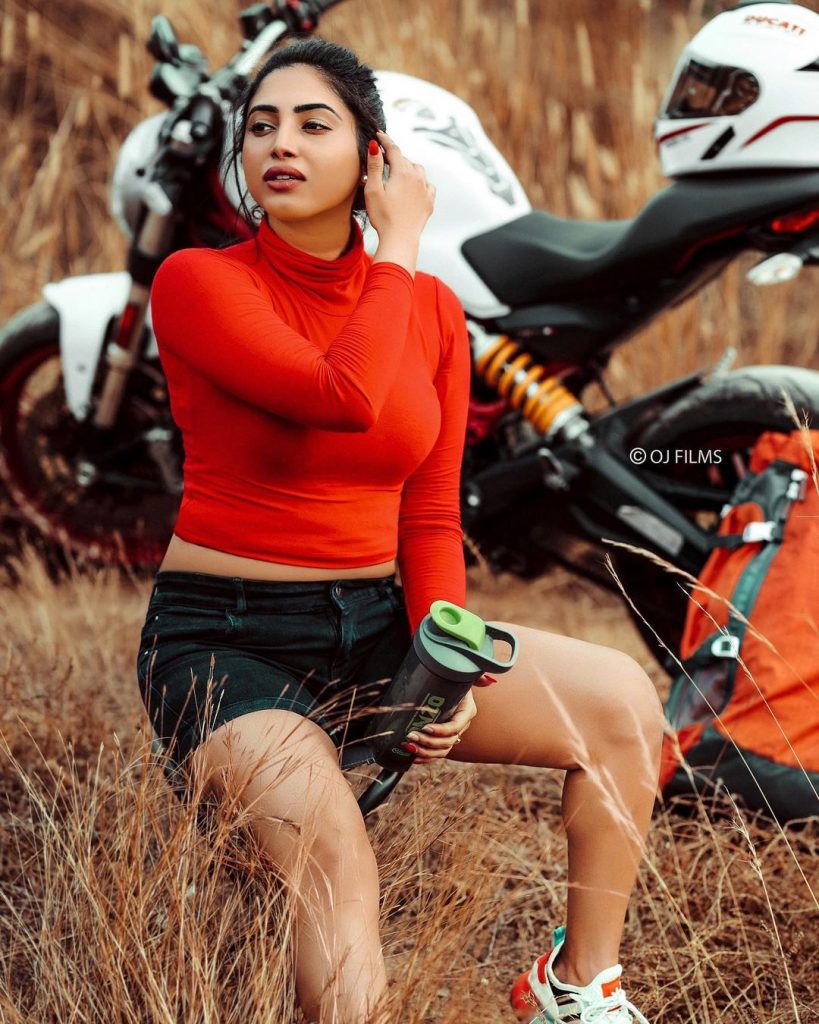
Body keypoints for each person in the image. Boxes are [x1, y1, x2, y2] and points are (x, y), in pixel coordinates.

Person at [135, 36, 664, 1024]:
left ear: (372, 156)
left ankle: (577, 987)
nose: (280, 144)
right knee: (334, 849)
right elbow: (343, 394)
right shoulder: (199, 282)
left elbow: (428, 509)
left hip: (377, 625)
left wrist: (443, 662)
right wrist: (401, 246)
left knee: (622, 706)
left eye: (313, 124)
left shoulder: (430, 312)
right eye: (261, 127)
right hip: (227, 640)